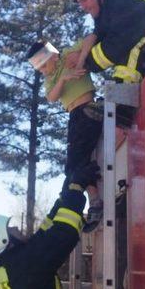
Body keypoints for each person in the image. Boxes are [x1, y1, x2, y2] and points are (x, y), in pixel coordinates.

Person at [0, 163, 100, 289]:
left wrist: (66, 194)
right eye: (9, 228)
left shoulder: (10, 267)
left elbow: (46, 233)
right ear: (3, 239)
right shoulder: (22, 266)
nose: (15, 227)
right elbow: (63, 233)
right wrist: (77, 187)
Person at [26, 39, 103, 232]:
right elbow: (51, 97)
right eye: (39, 69)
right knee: (78, 163)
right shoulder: (51, 78)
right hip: (75, 116)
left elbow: (92, 37)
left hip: (86, 109)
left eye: (43, 65)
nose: (43, 71)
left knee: (74, 165)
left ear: (53, 55)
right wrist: (64, 78)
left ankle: (94, 204)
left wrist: (81, 59)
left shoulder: (68, 54)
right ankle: (94, 201)